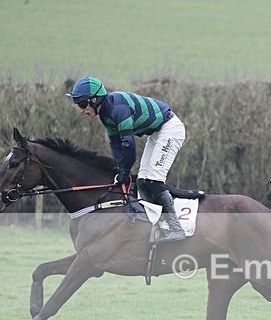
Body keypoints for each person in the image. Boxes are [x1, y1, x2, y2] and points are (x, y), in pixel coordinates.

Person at [66, 76, 187, 242]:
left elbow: (128, 145)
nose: (81, 110)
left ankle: (176, 228)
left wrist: (124, 171)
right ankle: (159, 223)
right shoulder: (105, 115)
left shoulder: (118, 109)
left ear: (94, 100)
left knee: (153, 181)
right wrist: (118, 168)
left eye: (82, 104)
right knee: (142, 181)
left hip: (170, 129)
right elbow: (116, 145)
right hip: (156, 133)